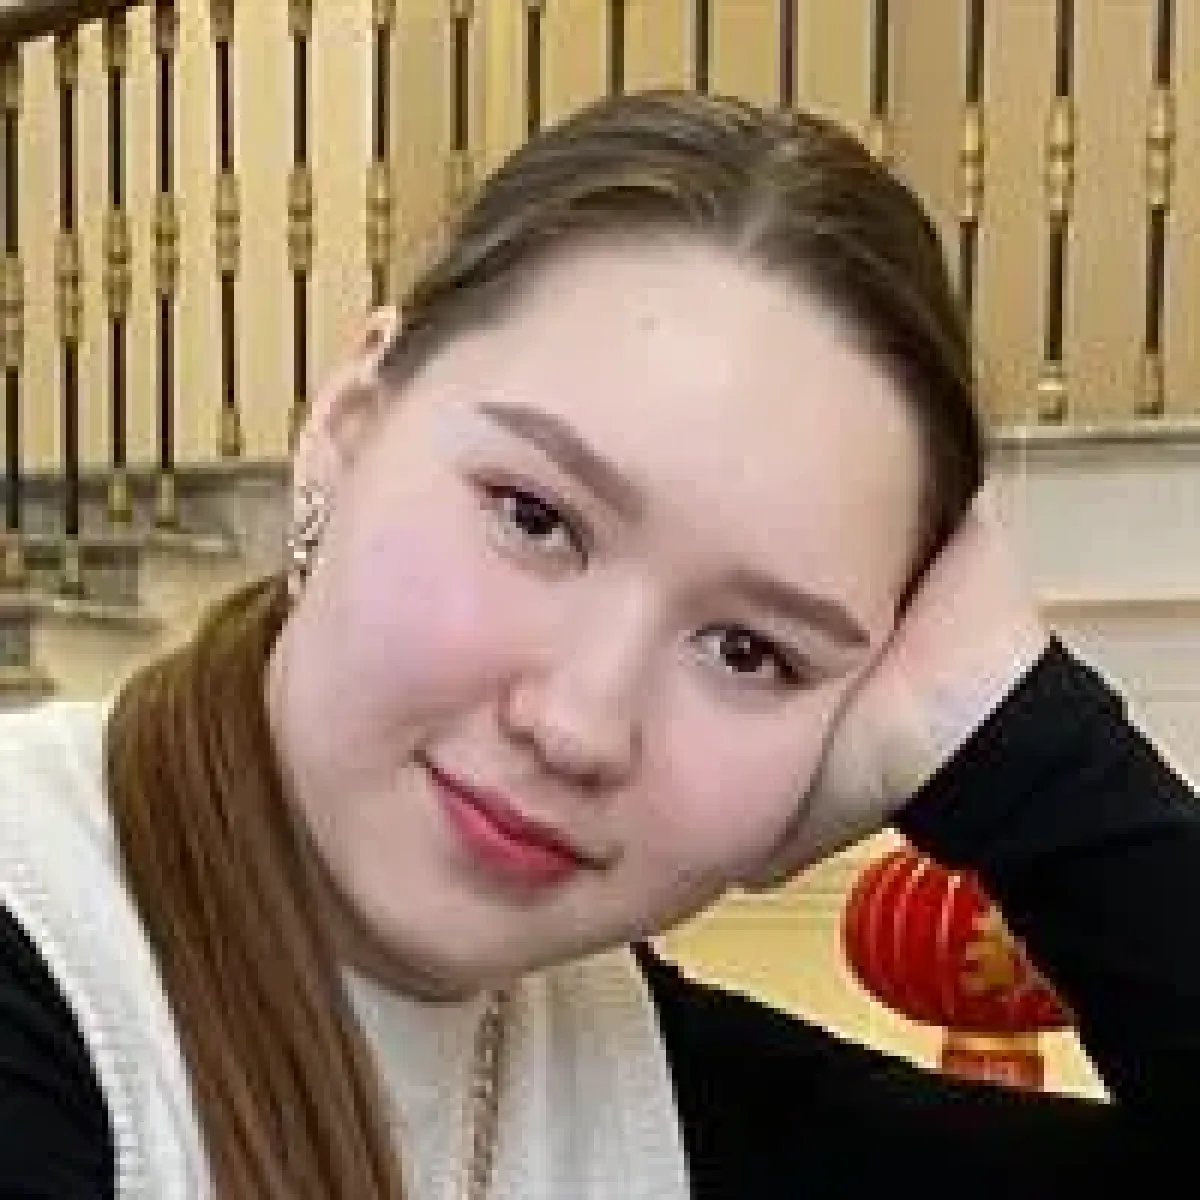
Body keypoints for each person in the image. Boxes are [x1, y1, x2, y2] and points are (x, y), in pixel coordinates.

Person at [0, 89, 1194, 1199]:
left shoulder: (619, 1071)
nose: (580, 725)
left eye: (749, 652)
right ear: (350, 423)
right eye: (535, 519)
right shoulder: (46, 955)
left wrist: (1016, 738)